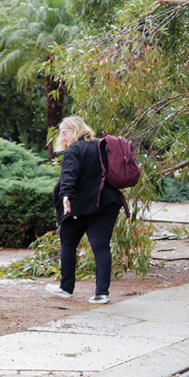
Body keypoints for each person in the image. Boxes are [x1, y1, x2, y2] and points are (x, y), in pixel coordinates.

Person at [45, 116, 125, 304]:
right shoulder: (102, 145)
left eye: (65, 133)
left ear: (75, 130)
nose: (63, 137)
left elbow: (68, 174)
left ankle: (66, 288)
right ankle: (102, 293)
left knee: (68, 241)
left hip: (81, 206)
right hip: (107, 204)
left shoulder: (74, 149)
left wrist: (65, 196)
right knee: (101, 247)